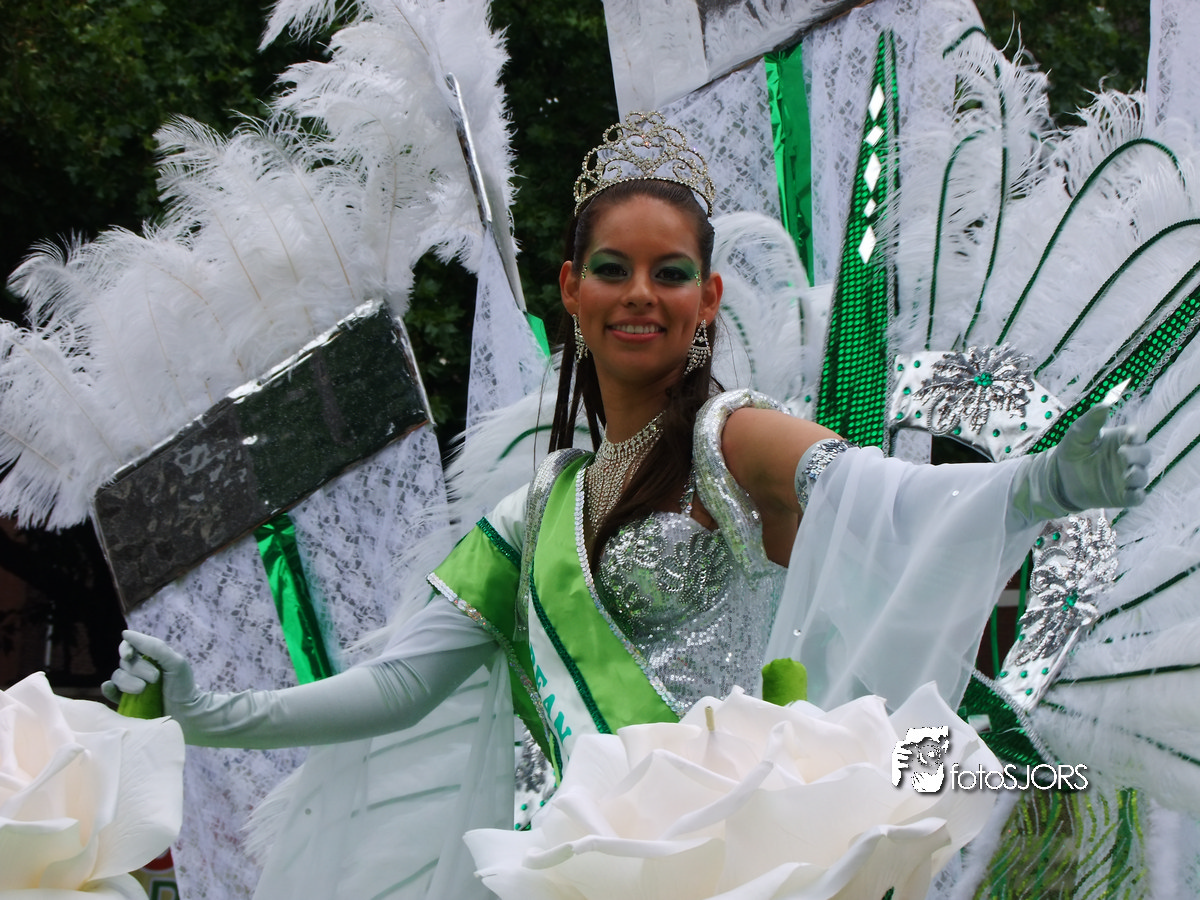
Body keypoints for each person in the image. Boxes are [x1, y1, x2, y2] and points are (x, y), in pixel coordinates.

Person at [104, 111, 1150, 897]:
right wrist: (209, 711)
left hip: (732, 862)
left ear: (708, 298)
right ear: (572, 289)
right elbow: (399, 688)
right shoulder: (532, 516)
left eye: (671, 271)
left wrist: (1047, 482)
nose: (641, 292)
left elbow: (882, 494)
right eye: (614, 269)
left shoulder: (732, 438)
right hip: (593, 867)